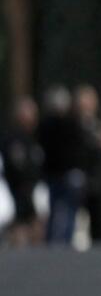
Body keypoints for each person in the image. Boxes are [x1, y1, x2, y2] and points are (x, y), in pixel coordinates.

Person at [38, 85, 87, 246]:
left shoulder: (70, 124)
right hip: (56, 174)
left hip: (64, 174)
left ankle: (64, 238)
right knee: (56, 208)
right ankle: (55, 239)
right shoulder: (49, 126)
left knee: (68, 208)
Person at [74, 84, 101, 240]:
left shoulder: (98, 125)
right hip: (81, 179)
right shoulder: (74, 126)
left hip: (98, 179)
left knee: (99, 221)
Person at [2, 97, 45, 246]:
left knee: (36, 228)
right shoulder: (13, 139)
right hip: (17, 191)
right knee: (19, 229)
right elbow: (16, 167)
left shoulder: (34, 139)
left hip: (33, 190)